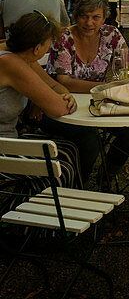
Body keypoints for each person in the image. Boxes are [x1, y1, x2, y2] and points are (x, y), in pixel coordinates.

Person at [46, 0, 129, 183]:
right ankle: (77, 185)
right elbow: (64, 81)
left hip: (97, 106)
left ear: (104, 17)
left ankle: (107, 174)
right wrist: (105, 86)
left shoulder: (111, 34)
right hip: (63, 107)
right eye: (84, 16)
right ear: (76, 16)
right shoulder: (64, 38)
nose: (89, 22)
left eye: (95, 17)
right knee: (90, 141)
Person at [0, 13, 79, 180]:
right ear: (37, 48)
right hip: (4, 149)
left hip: (9, 138)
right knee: (60, 164)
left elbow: (55, 86)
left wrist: (61, 94)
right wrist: (61, 99)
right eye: (48, 45)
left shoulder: (19, 55)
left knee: (70, 148)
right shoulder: (12, 63)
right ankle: (39, 204)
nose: (48, 49)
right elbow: (59, 108)